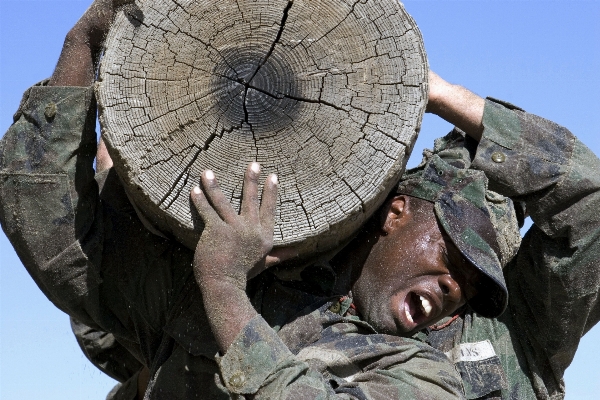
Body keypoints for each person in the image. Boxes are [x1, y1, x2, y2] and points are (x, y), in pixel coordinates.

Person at [1, 2, 598, 400]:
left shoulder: (492, 345)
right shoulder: (246, 284)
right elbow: (56, 233)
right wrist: (87, 37)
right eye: (455, 254)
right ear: (394, 212)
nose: (456, 288)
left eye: (474, 285)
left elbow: (591, 202)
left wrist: (225, 294)